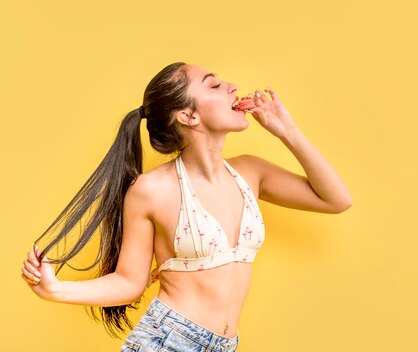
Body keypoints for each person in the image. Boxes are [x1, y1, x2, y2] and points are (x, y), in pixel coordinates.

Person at [20, 62, 352, 351]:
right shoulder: (151, 190)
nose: (232, 87)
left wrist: (287, 131)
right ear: (188, 115)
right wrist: (56, 290)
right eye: (215, 84)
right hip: (168, 340)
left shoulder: (251, 172)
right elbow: (129, 283)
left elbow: (336, 200)